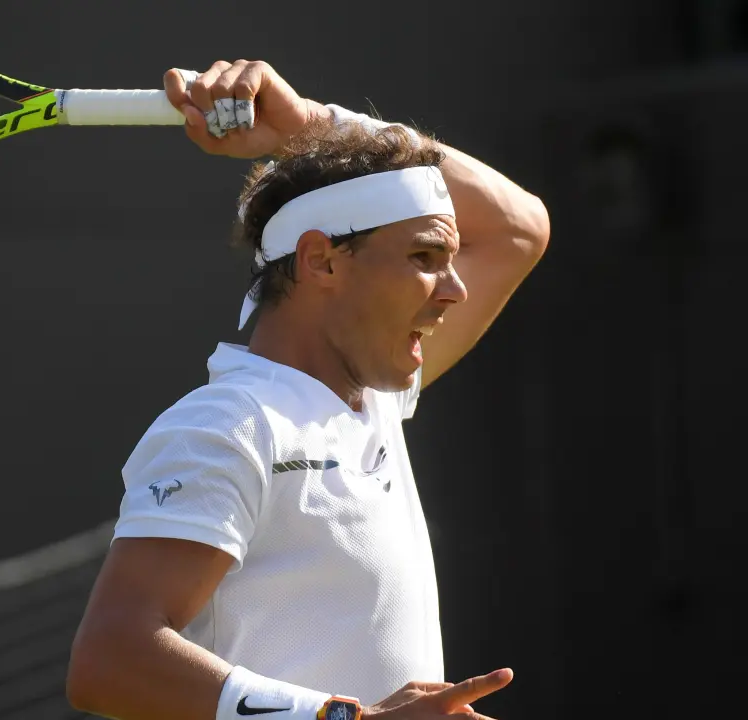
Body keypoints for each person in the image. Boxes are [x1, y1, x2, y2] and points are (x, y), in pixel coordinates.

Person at [65, 59, 550, 720]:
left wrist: (311, 125)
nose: (456, 289)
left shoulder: (375, 401)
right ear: (322, 260)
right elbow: (110, 660)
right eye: (425, 258)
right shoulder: (227, 427)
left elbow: (521, 228)